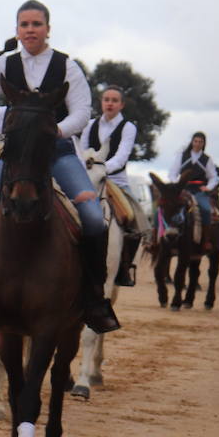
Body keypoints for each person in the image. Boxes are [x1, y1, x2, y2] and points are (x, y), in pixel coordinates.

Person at [0, 3, 119, 333]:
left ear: (48, 28)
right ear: (17, 30)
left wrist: (54, 131)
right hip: (15, 157)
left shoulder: (67, 67)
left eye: (36, 24)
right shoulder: (7, 64)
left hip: (58, 153)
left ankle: (93, 299)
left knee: (92, 217)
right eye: (24, 24)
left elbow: (81, 112)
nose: (30, 29)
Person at [79, 85, 149, 286]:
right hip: (88, 179)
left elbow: (121, 156)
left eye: (114, 100)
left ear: (121, 104)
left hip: (115, 181)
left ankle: (124, 268)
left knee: (129, 216)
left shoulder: (128, 127)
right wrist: (89, 170)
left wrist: (101, 169)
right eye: (106, 99)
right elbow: (82, 151)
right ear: (101, 102)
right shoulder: (89, 124)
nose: (109, 103)